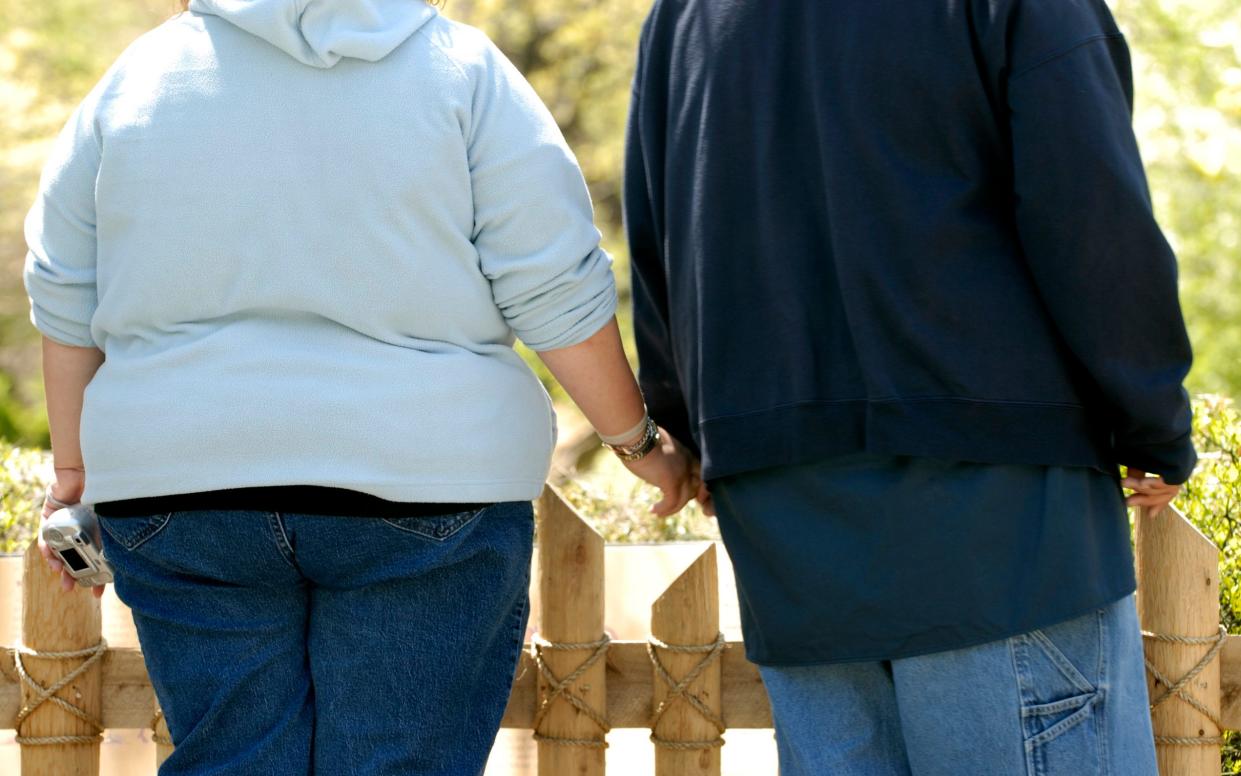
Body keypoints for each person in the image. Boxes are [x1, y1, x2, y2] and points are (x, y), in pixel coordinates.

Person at [25, 0, 694, 773]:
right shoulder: (465, 72)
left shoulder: (133, 80)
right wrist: (637, 442)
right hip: (423, 482)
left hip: (181, 492)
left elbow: (66, 295)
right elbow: (552, 287)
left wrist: (73, 472)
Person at [625, 0, 1193, 773]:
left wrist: (684, 425)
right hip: (998, 510)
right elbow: (1091, 214)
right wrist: (1151, 421)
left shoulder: (681, 14)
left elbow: (656, 232)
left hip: (786, 516)